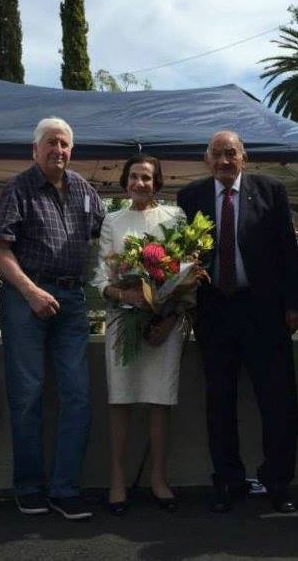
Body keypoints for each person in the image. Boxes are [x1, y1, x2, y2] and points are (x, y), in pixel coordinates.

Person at [177, 130, 298, 514]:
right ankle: (228, 481)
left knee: (277, 401)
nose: (224, 161)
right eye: (216, 154)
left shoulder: (270, 191)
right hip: (215, 312)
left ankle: (278, 482)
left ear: (243, 156)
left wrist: (295, 305)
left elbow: (288, 252)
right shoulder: (190, 197)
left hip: (264, 312)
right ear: (206, 159)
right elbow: (182, 256)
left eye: (230, 153)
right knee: (219, 403)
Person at [0, 117, 105, 521]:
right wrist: (31, 292)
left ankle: (65, 488)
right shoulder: (18, 189)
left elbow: (106, 242)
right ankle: (29, 486)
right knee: (28, 396)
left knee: (78, 396)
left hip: (72, 299)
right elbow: (0, 251)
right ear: (35, 150)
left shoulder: (86, 191)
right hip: (27, 297)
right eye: (51, 144)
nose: (59, 150)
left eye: (65, 144)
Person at [92, 154, 185, 515]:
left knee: (160, 401)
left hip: (164, 324)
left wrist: (168, 316)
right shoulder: (112, 220)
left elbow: (185, 271)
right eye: (134, 177)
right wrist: (122, 294)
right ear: (125, 182)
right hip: (123, 321)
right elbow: (102, 275)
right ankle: (117, 481)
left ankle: (159, 479)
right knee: (121, 399)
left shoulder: (175, 217)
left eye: (147, 177)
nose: (140, 183)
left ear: (157, 182)